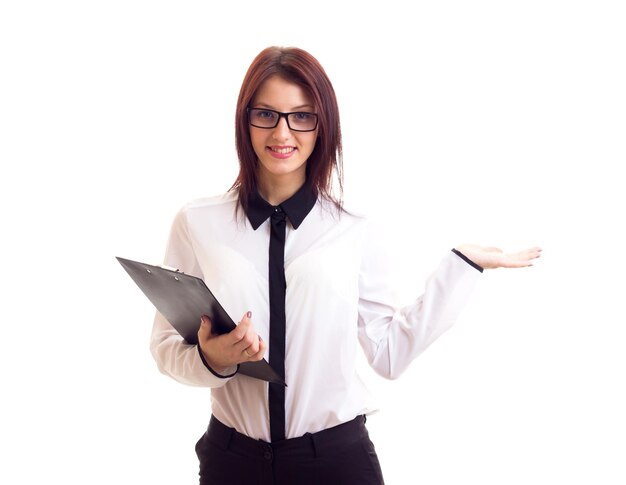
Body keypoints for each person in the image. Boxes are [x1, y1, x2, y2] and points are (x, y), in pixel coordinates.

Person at [150, 46, 541, 485]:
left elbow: (390, 354)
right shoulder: (198, 222)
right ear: (245, 121)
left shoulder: (354, 228)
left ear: (323, 126)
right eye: (266, 114)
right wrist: (211, 358)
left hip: (333, 462)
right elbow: (165, 347)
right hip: (231, 460)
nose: (282, 132)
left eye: (301, 116)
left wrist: (462, 267)